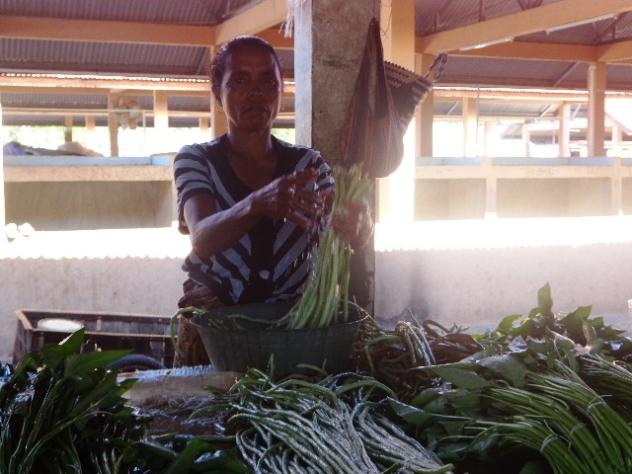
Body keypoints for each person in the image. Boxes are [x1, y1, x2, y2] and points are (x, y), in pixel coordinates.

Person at [173, 35, 370, 366]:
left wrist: (360, 224)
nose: (256, 92)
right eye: (239, 81)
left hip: (295, 331)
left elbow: (349, 233)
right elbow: (202, 237)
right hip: (216, 331)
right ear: (218, 92)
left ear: (281, 91)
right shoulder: (196, 159)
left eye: (268, 81)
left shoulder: (309, 166)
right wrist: (256, 204)